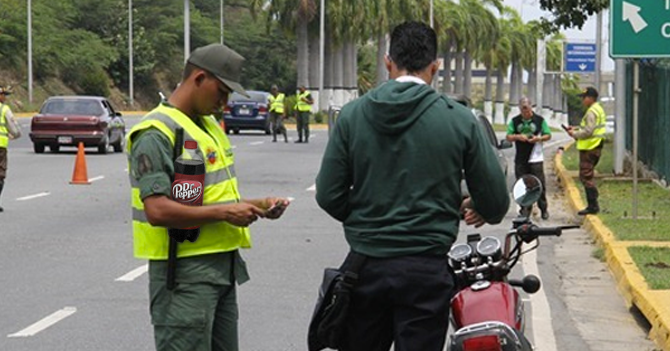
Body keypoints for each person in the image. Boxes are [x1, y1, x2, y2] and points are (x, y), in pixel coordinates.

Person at [314, 21, 510, 351]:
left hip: (365, 267)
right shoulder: (459, 119)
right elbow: (495, 203)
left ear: (388, 61)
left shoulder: (352, 115)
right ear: (435, 66)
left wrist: (369, 218)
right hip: (426, 270)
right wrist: (473, 203)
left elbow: (328, 194)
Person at [126, 43, 290, 351]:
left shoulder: (207, 125)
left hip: (221, 270)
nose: (225, 102)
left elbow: (203, 198)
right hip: (184, 275)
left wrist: (258, 206)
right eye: (222, 92)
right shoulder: (156, 132)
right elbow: (158, 210)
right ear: (199, 78)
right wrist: (227, 214)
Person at [506, 97, 552, 219]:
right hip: (521, 157)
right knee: (522, 184)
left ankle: (543, 208)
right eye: (523, 109)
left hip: (535, 157)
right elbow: (509, 136)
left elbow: (548, 135)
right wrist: (518, 137)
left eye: (527, 108)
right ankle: (525, 208)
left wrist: (539, 139)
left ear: (531, 107)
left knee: (540, 183)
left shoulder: (539, 120)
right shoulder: (515, 121)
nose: (525, 112)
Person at [566, 87, 606, 215]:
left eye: (584, 97)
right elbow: (592, 127)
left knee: (585, 176)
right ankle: (593, 202)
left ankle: (593, 205)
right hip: (595, 146)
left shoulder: (591, 112)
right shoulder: (598, 109)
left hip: (589, 148)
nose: (583, 100)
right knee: (587, 175)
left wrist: (574, 134)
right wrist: (576, 128)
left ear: (590, 98)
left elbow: (589, 131)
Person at [0, 86, 22, 213]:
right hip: (0, 147)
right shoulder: (4, 109)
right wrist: (16, 135)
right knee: (0, 175)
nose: (5, 98)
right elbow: (14, 128)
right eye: (3, 95)